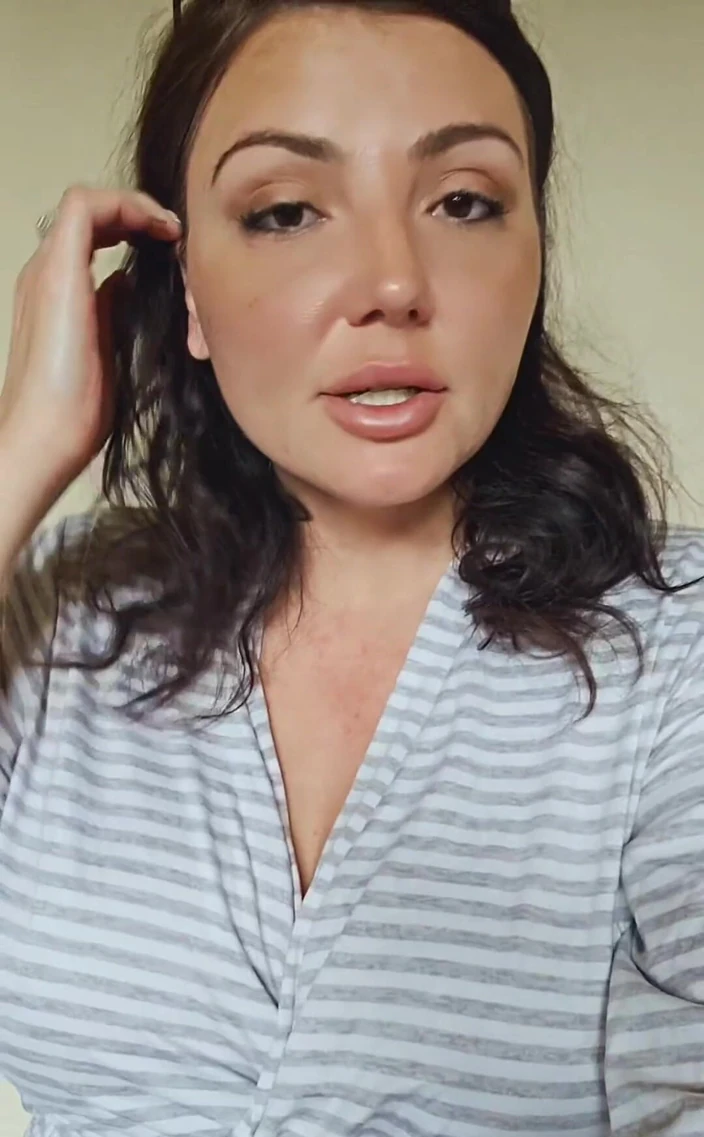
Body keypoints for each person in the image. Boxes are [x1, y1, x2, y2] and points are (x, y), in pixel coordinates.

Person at [1, 0, 703, 1134]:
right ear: (186, 294)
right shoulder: (57, 600)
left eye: (462, 202)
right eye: (285, 212)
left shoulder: (677, 646)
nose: (391, 282)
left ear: (533, 258)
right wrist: (24, 448)